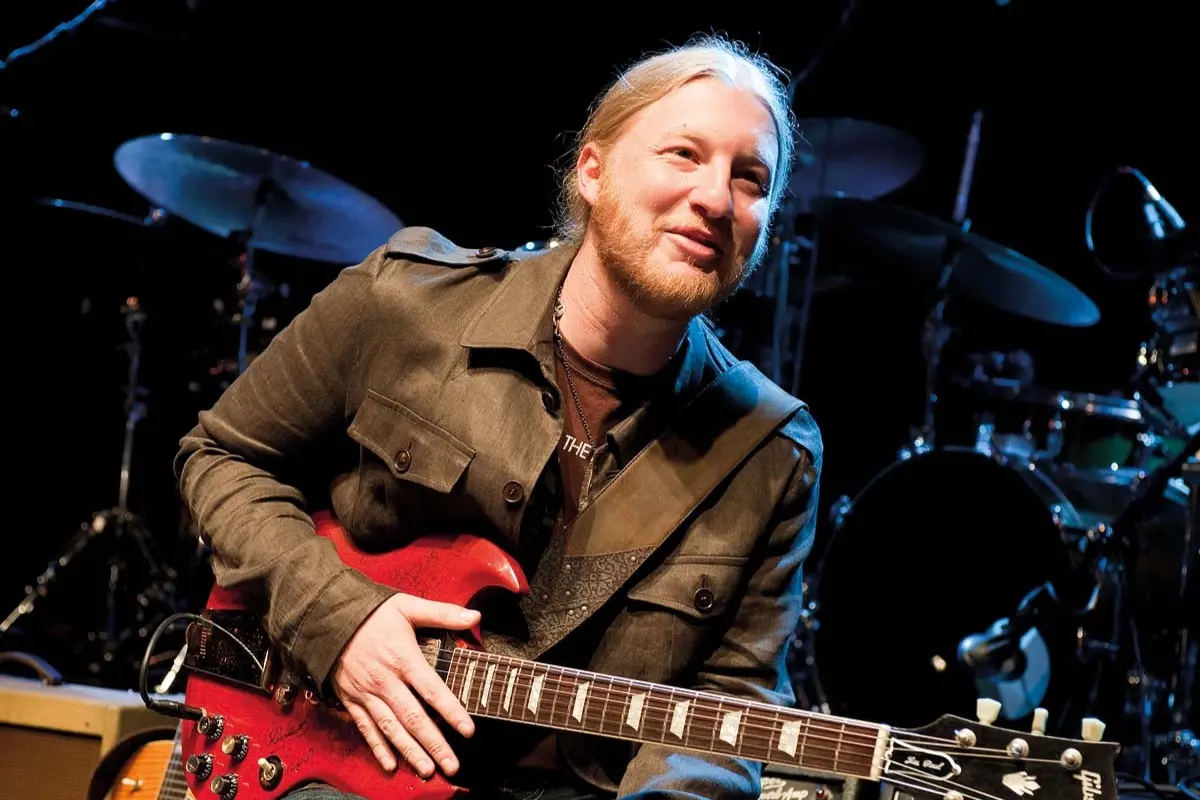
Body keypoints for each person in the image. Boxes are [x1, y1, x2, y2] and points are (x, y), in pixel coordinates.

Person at [175, 33, 823, 800]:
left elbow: (729, 710)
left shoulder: (769, 453)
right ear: (593, 171)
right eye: (683, 154)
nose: (717, 198)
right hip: (312, 758)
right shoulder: (404, 304)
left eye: (750, 178)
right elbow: (221, 456)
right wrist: (334, 617)